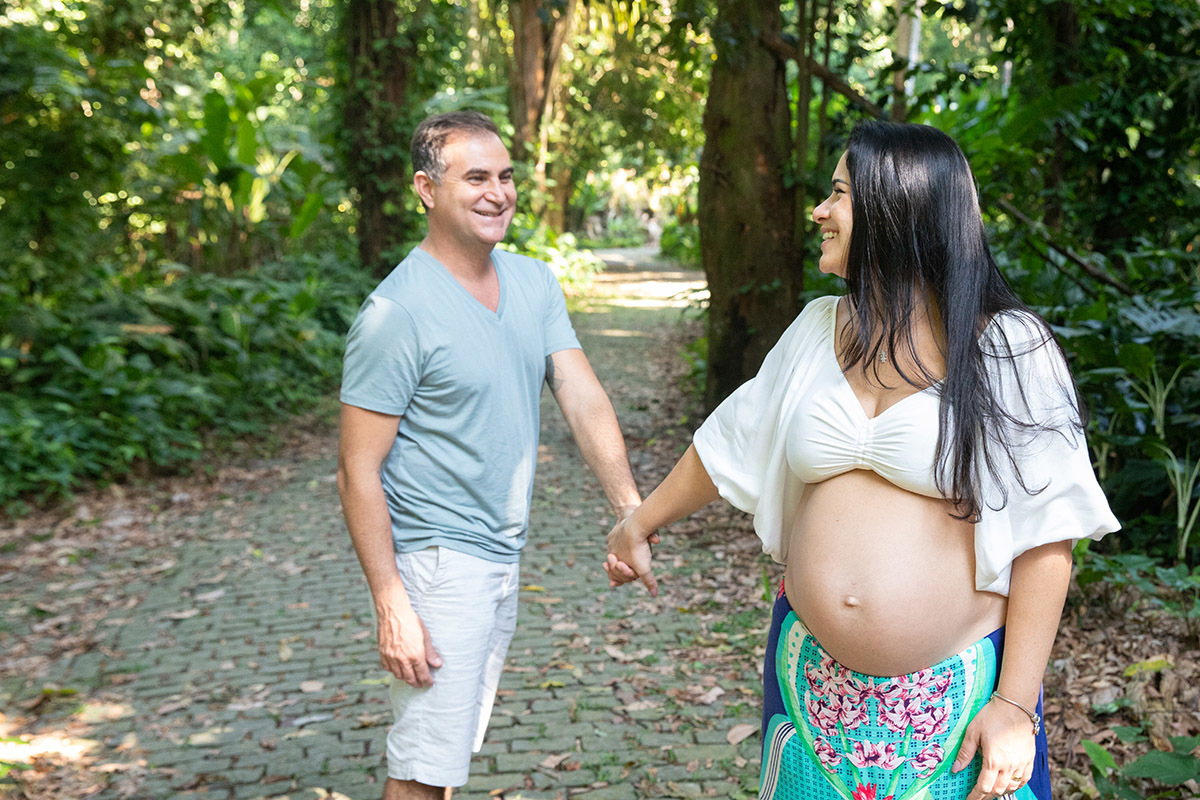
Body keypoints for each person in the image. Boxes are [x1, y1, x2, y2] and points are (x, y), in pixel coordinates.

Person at [605, 120, 1119, 800]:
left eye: (839, 193)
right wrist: (640, 522)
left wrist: (1015, 706)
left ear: (896, 208)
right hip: (809, 678)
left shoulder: (1007, 348)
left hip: (958, 698)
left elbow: (1047, 537)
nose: (819, 210)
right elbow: (730, 441)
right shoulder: (818, 331)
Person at [338, 110, 641, 800]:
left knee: (444, 763)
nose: (497, 192)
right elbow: (356, 470)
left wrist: (630, 509)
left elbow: (583, 397)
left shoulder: (533, 283)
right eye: (475, 177)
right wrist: (393, 604)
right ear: (426, 188)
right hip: (438, 566)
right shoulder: (397, 313)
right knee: (419, 774)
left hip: (501, 558)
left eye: (505, 177)